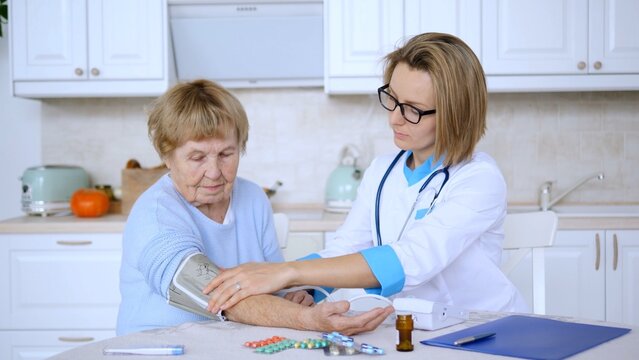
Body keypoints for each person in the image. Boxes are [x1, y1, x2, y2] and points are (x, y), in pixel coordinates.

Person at [204, 33, 528, 315]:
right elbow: (345, 246)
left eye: (412, 110)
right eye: (393, 100)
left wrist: (286, 272)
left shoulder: (478, 179)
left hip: (482, 327)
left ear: (456, 113)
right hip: (414, 329)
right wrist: (308, 288)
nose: (394, 120)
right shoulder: (382, 170)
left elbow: (409, 260)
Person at [116, 79, 393, 336]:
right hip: (159, 347)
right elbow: (217, 295)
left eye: (226, 154)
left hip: (233, 345)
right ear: (167, 156)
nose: (214, 172)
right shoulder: (155, 215)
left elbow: (271, 280)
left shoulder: (252, 197)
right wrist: (305, 319)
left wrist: (292, 295)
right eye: (197, 157)